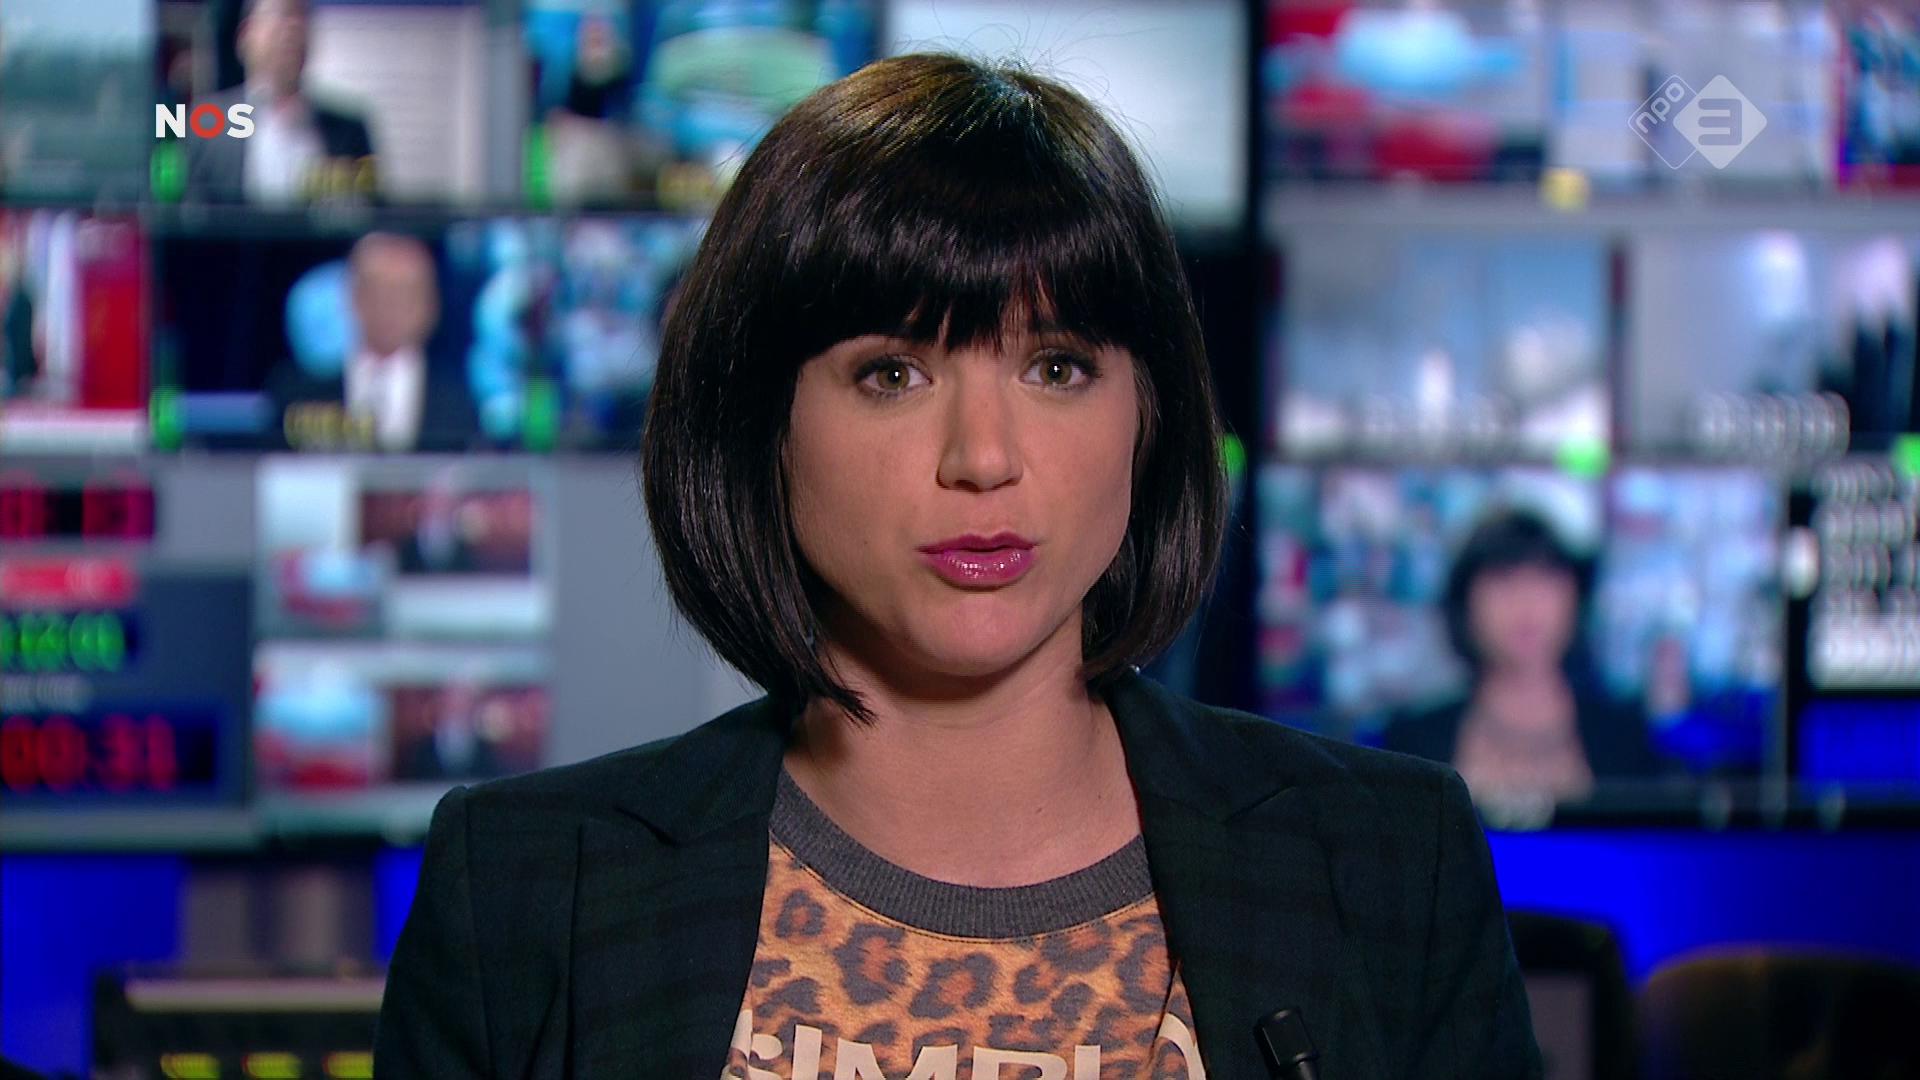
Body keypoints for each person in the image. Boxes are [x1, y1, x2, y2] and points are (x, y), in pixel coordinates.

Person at [377, 53, 1543, 1078]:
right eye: (893, 373)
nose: (983, 458)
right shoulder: (531, 889)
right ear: (760, 423)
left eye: (1057, 368)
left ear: (1150, 415)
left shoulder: (1389, 862)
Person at [1382, 509, 1664, 809]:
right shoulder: (1411, 746)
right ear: (1466, 603)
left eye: (1545, 578)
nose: (1526, 603)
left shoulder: (1626, 738)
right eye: (1503, 579)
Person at [270, 232, 479, 452]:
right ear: (353, 296)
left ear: (430, 306)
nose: (390, 307)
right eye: (377, 290)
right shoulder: (297, 393)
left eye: (404, 293)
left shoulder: (461, 401)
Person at [184, 0, 379, 204]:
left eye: (301, 16)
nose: (294, 26)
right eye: (282, 15)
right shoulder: (207, 123)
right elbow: (188, 212)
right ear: (245, 35)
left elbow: (372, 211)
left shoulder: (349, 130)